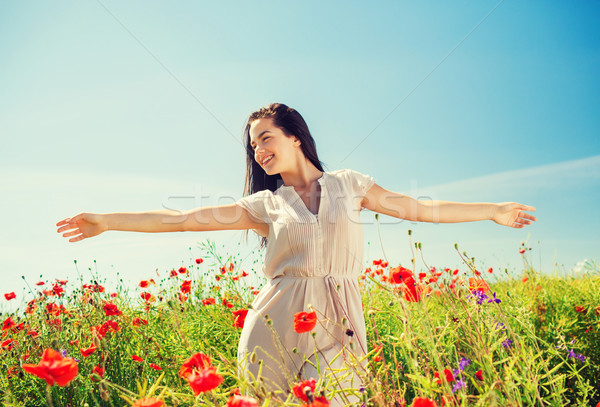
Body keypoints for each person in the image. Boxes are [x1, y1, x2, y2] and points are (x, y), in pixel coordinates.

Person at [56, 102, 537, 406]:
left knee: (342, 397)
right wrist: (106, 219)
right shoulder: (264, 205)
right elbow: (182, 219)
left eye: (265, 137)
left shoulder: (351, 185)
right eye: (253, 146)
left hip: (338, 321)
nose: (259, 150)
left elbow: (419, 209)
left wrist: (491, 210)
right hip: (274, 323)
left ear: (295, 137)